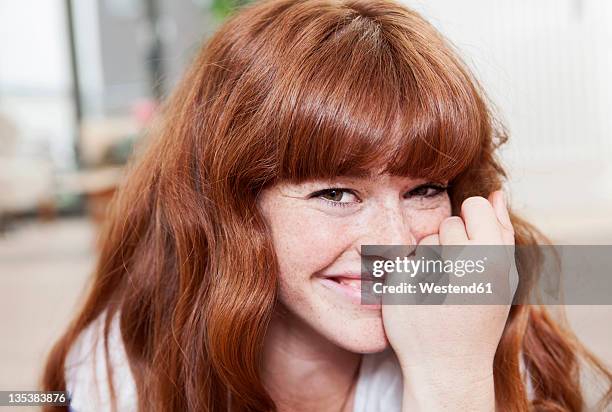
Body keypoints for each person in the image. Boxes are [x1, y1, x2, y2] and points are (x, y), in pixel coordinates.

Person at [42, 0, 612, 411]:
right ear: (230, 207)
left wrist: (451, 381)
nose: (396, 238)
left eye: (424, 190)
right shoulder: (121, 376)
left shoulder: (482, 335)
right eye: (335, 194)